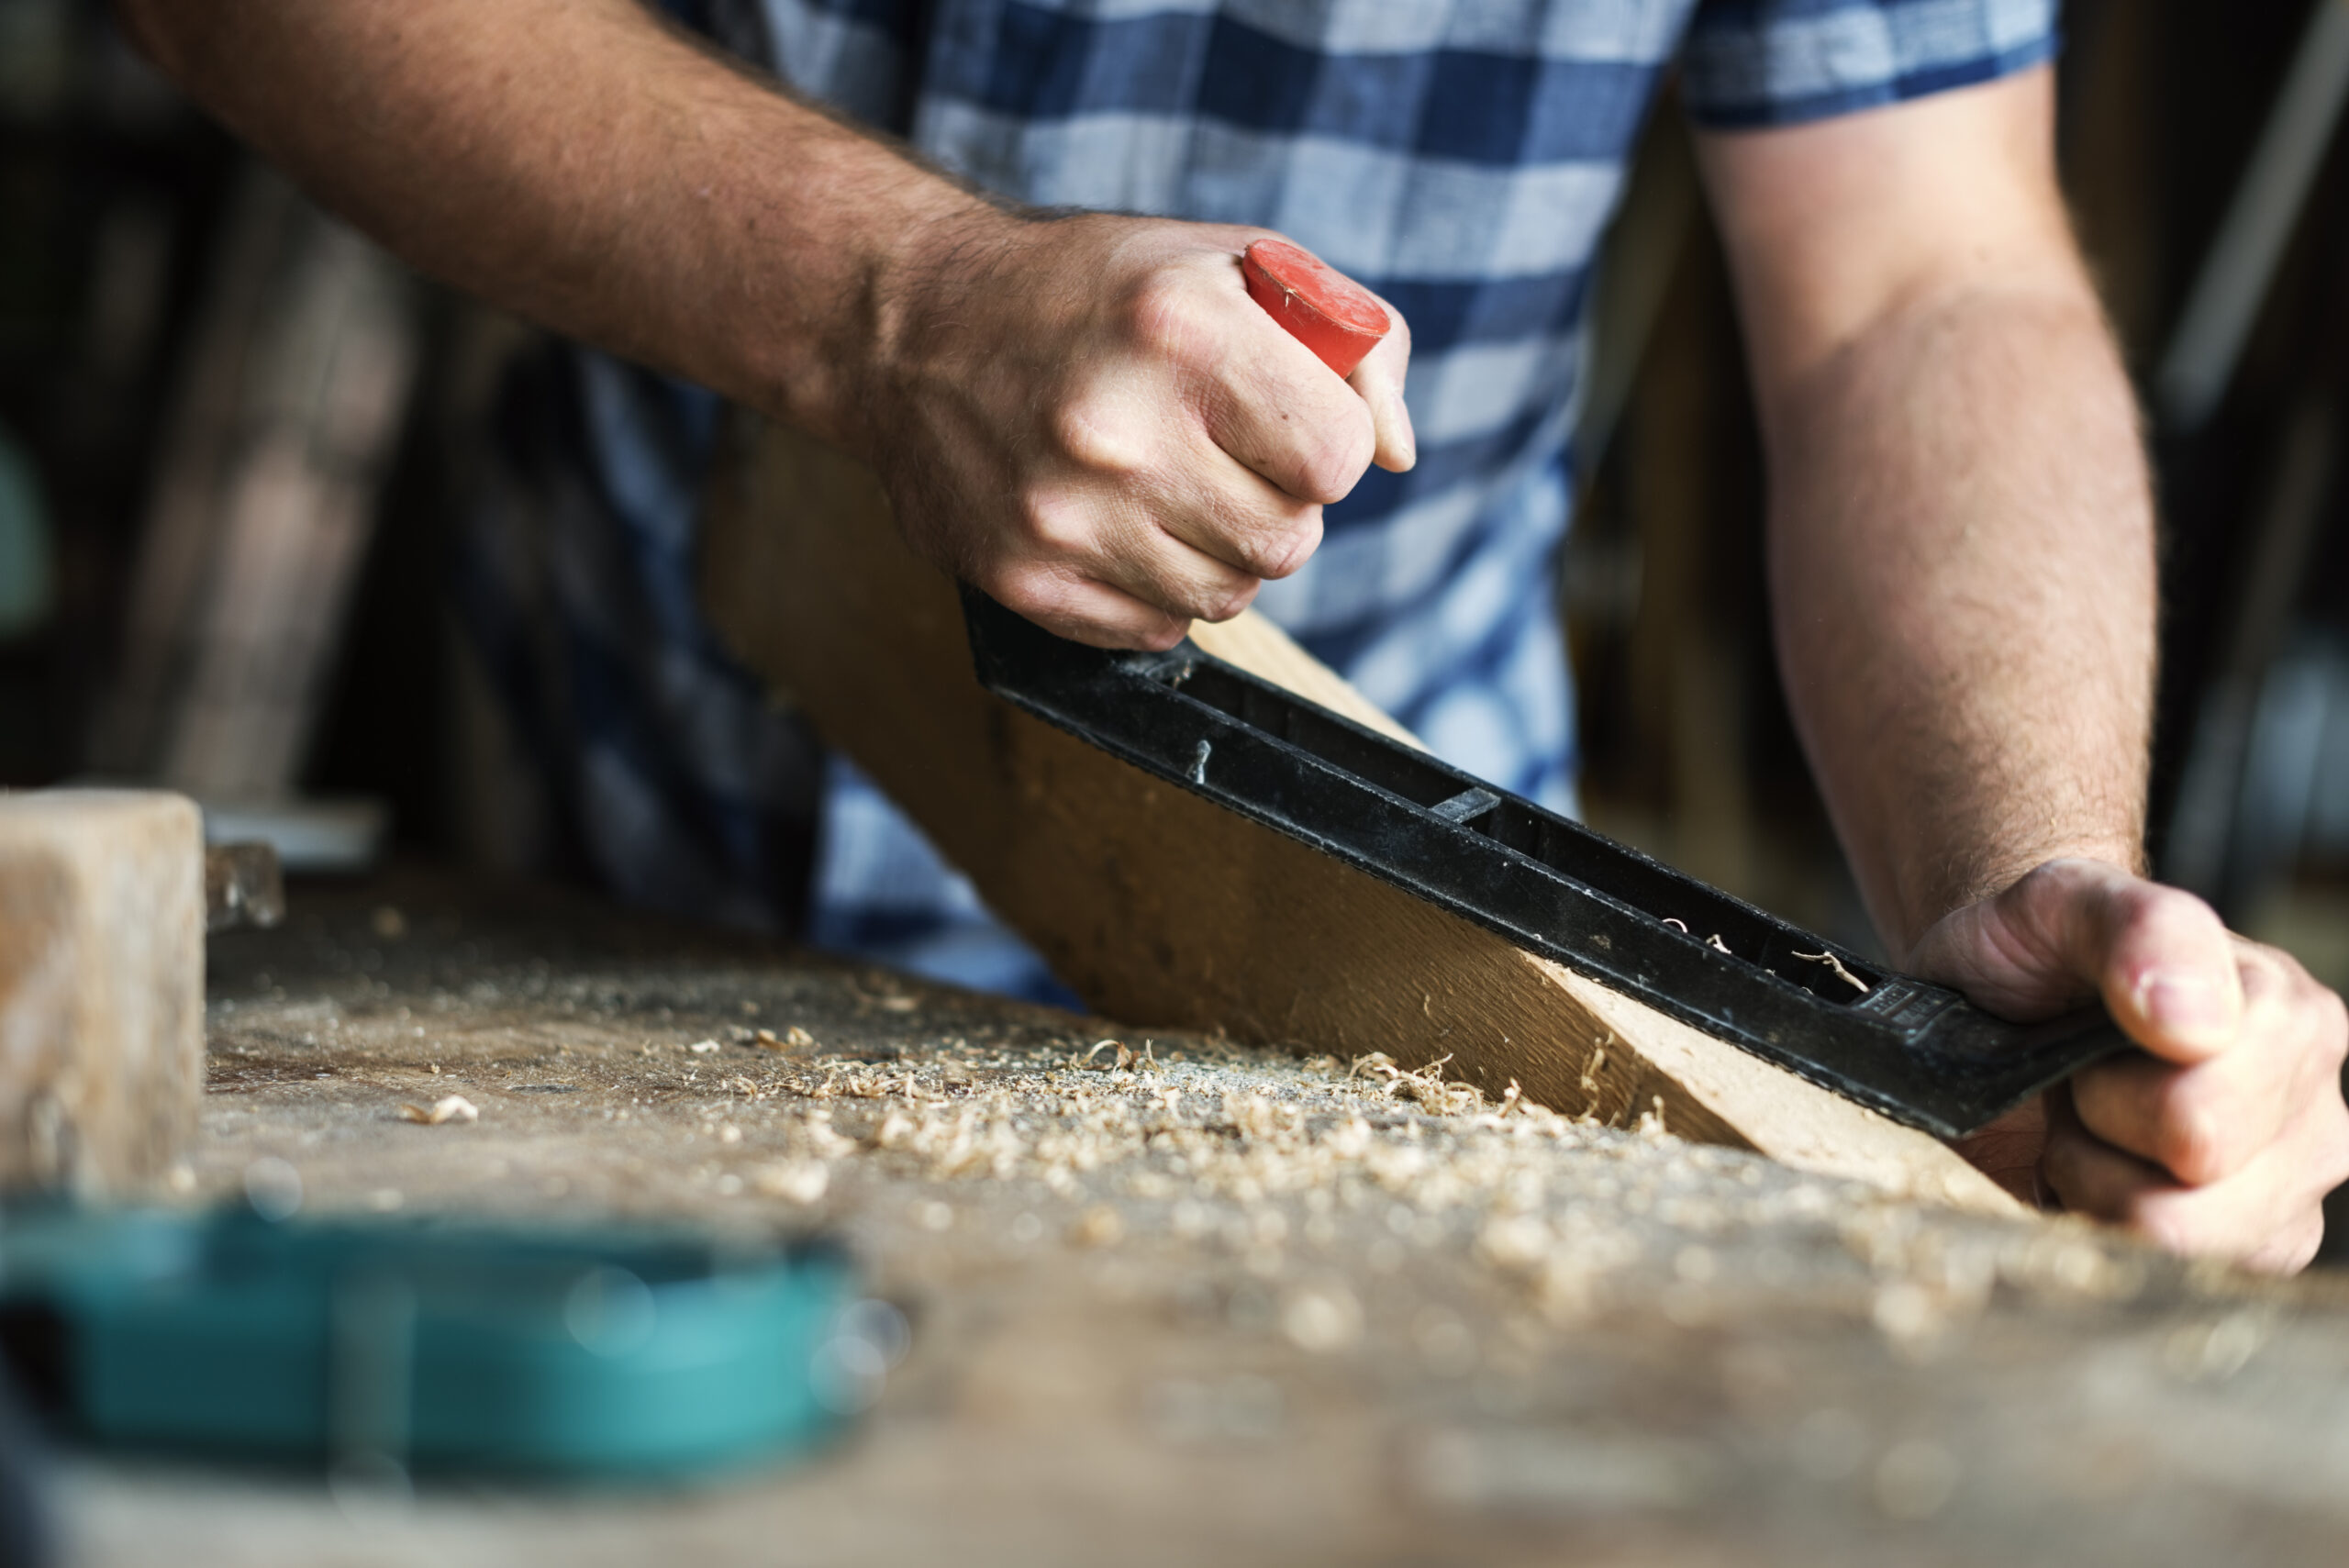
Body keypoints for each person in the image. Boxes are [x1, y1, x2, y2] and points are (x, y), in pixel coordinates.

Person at [121, 0, 2349, 1271]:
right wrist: (897, 304)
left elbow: (1915, 277)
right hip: (606, 812)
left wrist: (2016, 901)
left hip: (1393, 979)